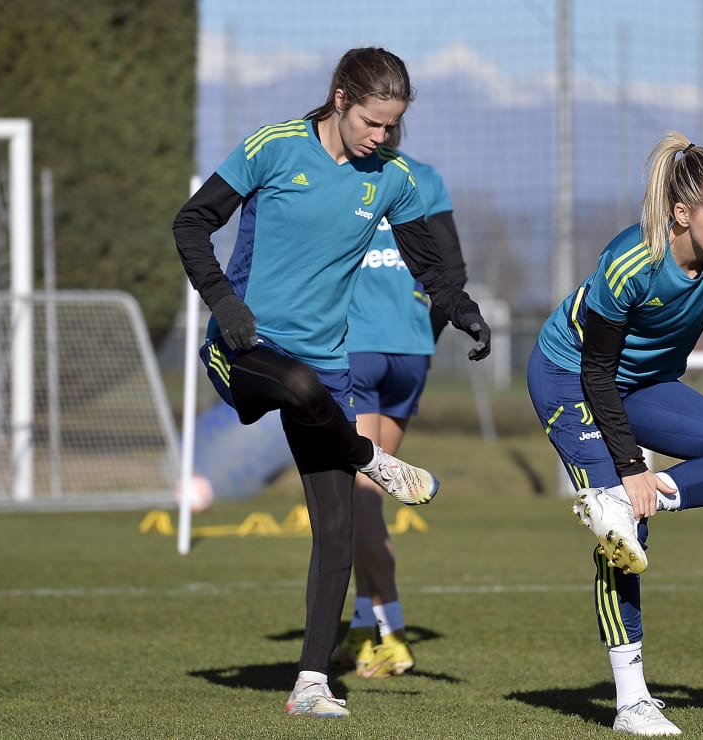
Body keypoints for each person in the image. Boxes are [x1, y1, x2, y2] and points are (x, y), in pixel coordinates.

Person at [171, 47, 490, 720]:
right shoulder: (274, 148)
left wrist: (459, 308)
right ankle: (370, 456)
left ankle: (312, 683)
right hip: (246, 349)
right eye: (374, 123)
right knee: (301, 389)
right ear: (341, 99)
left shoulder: (393, 179)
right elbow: (191, 222)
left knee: (338, 531)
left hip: (328, 360)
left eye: (394, 127)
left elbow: (427, 260)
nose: (383, 137)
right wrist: (224, 303)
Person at [526, 131, 703, 736]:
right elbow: (596, 370)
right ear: (682, 214)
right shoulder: (632, 261)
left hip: (649, 384)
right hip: (570, 380)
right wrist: (630, 469)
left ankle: (652, 496)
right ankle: (632, 702)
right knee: (625, 528)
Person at [329, 125, 469, 679]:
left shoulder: (337, 173)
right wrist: (419, 334)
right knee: (374, 492)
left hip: (355, 348)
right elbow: (453, 273)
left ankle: (392, 631)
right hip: (410, 354)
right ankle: (365, 627)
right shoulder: (424, 176)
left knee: (361, 495)